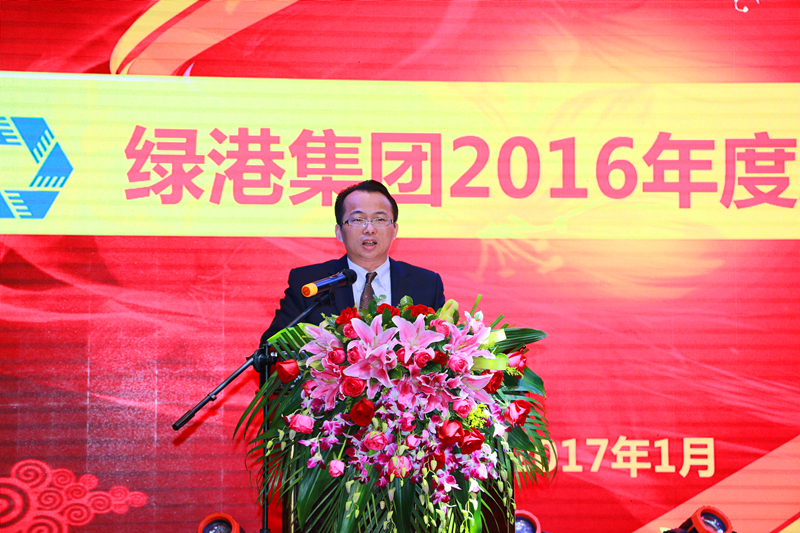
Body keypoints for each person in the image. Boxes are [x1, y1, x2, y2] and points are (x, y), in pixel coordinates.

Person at [260, 180, 445, 345]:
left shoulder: (427, 284)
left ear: (395, 229)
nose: (369, 229)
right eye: (357, 219)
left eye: (380, 219)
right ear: (339, 232)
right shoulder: (310, 282)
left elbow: (445, 347)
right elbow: (272, 350)